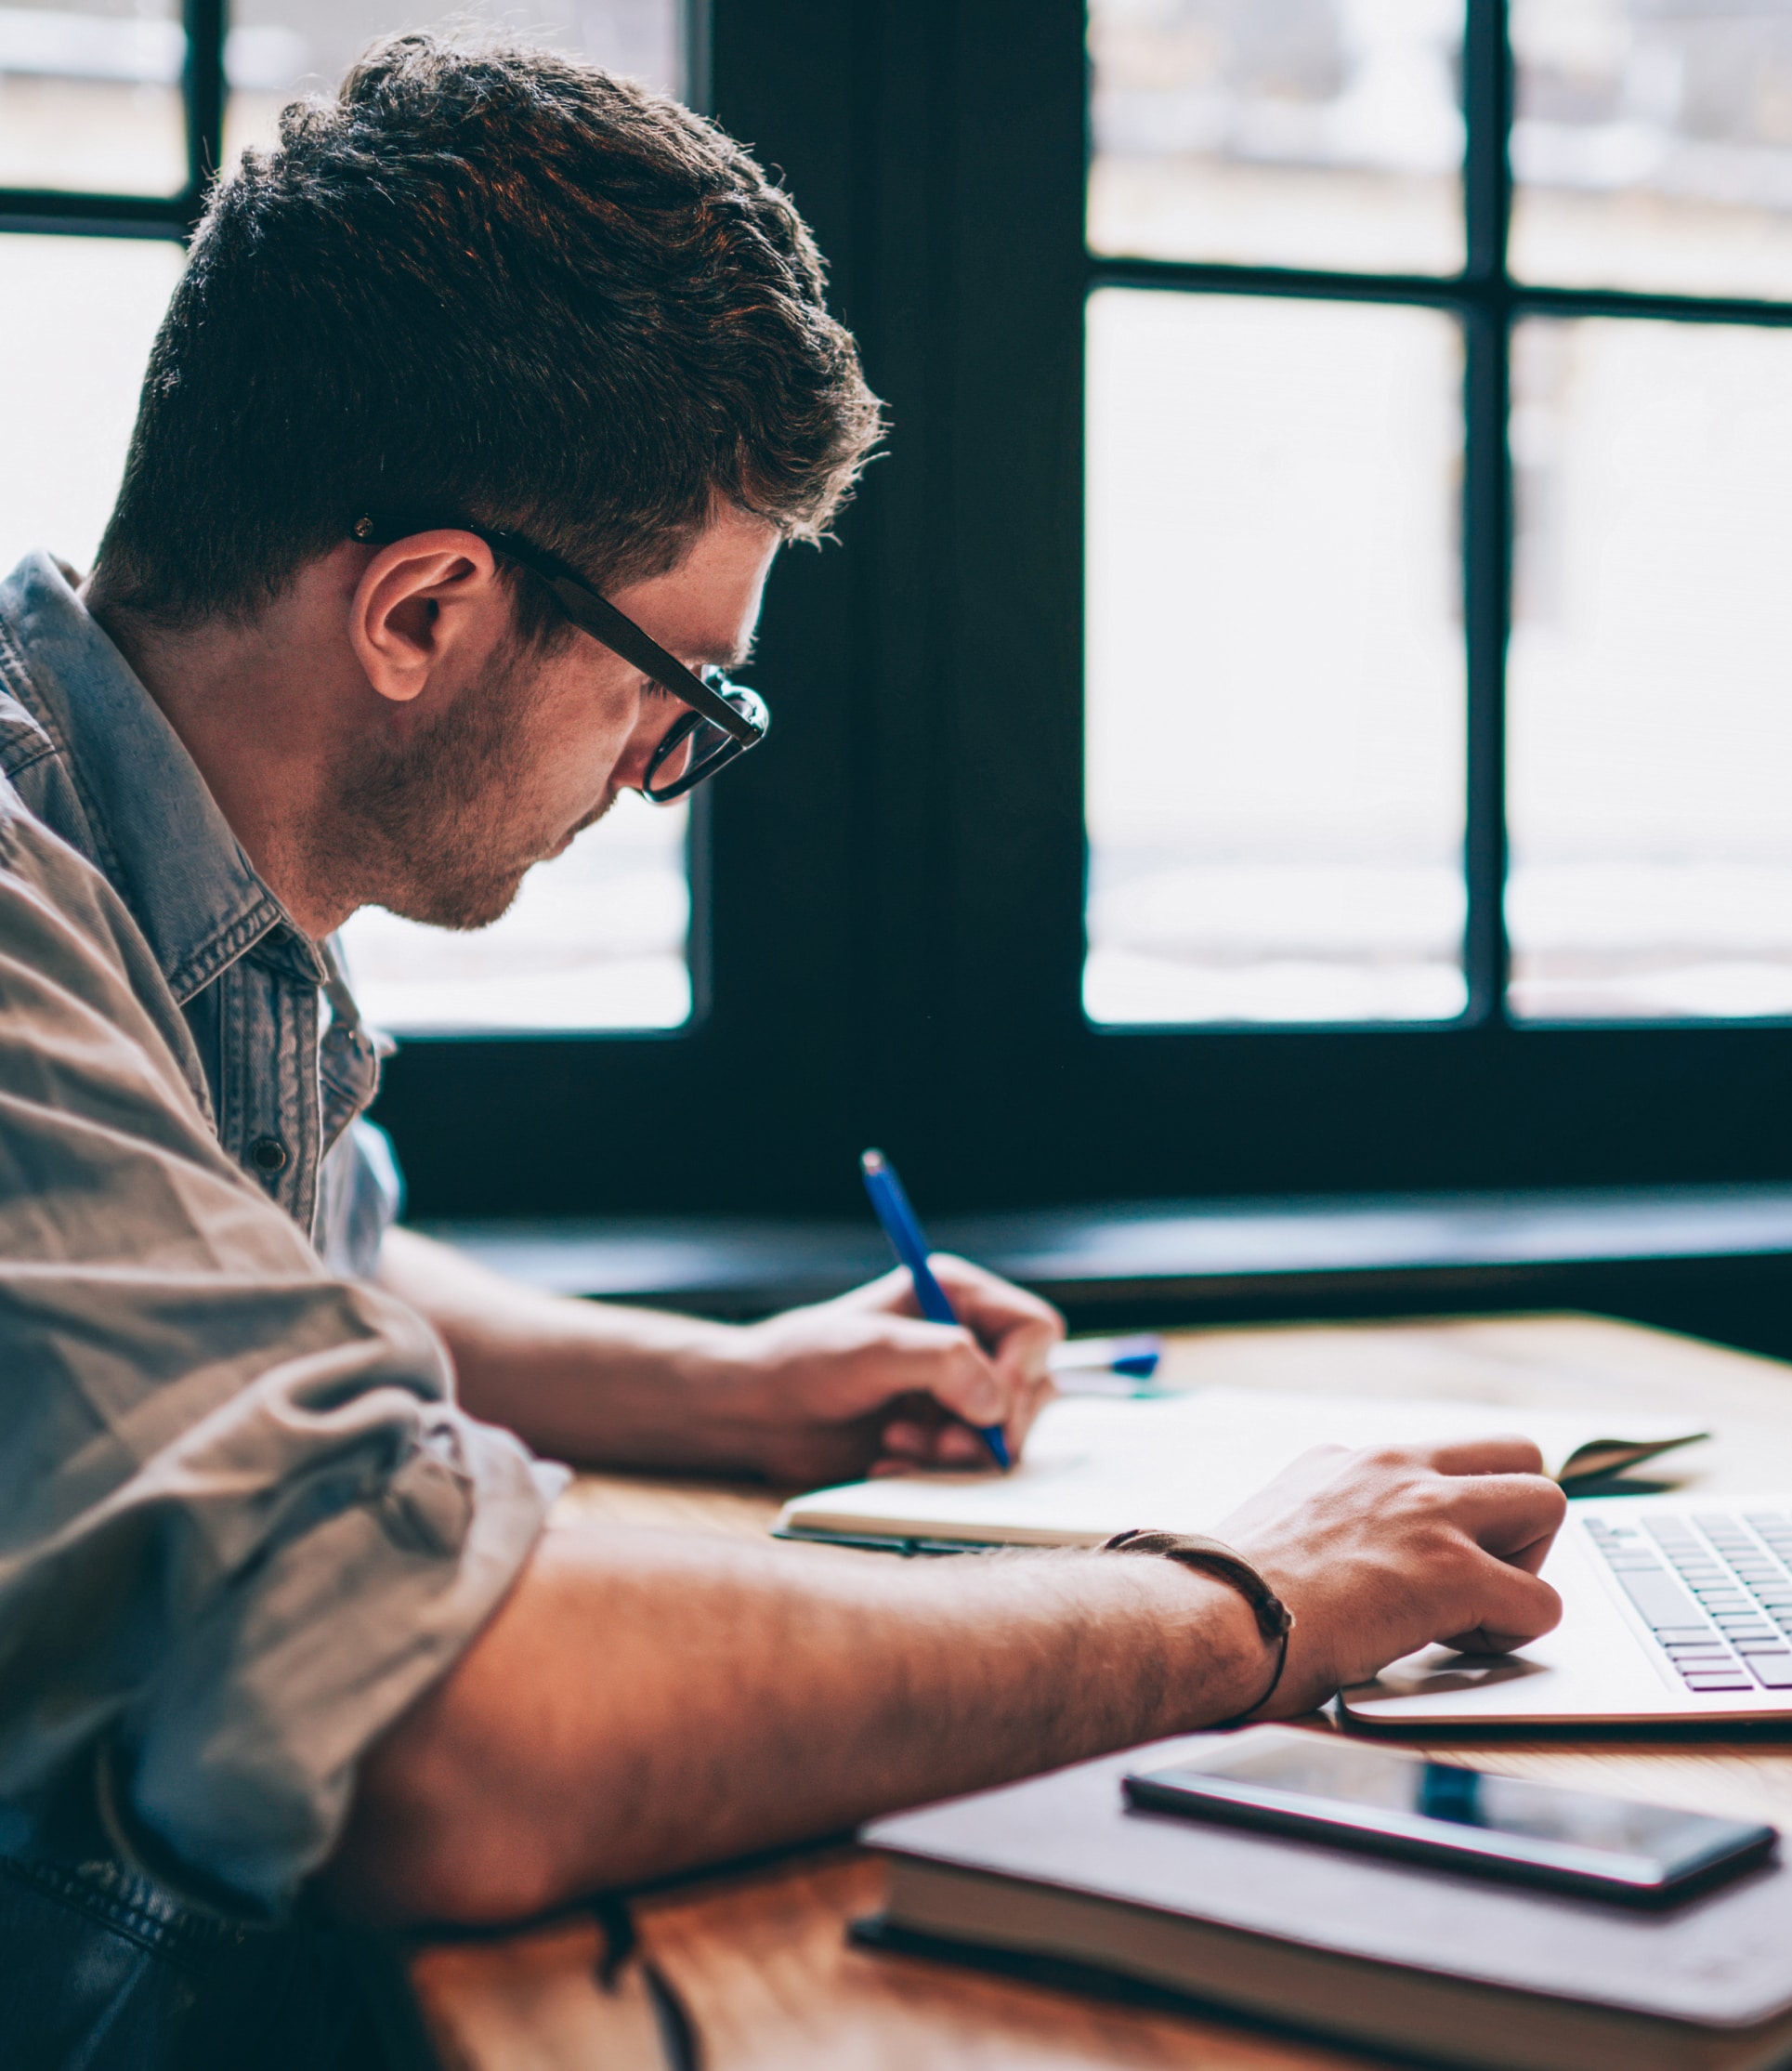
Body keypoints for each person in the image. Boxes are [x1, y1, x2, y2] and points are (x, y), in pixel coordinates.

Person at [0, 34, 1568, 2067]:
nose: (673, 765)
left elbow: (275, 1271)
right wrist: (1241, 1594)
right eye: (682, 686)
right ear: (419, 611)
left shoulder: (149, 882)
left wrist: (731, 1390)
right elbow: (443, 1730)